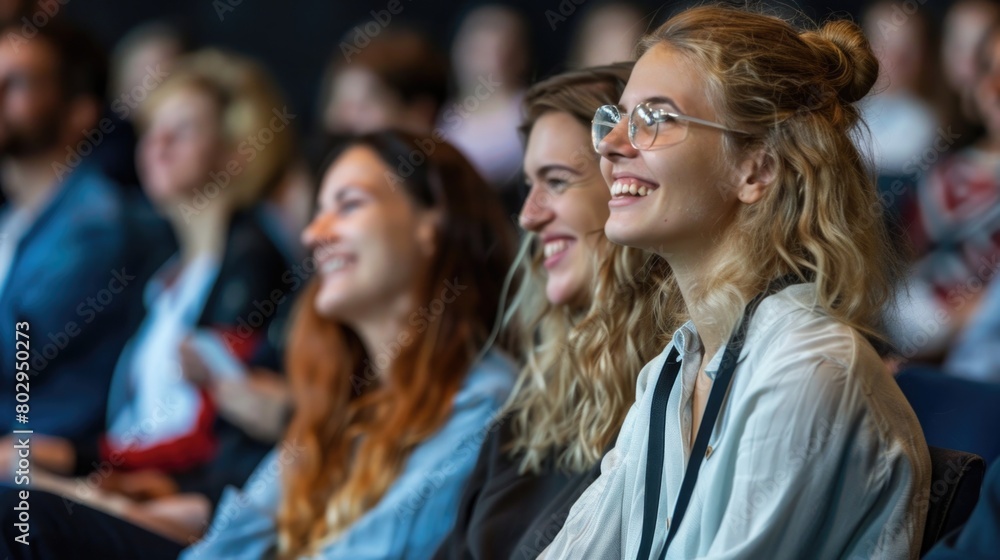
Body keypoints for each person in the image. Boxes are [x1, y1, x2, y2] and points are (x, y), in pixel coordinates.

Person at [0, 129, 519, 559]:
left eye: (349, 204)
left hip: (182, 487)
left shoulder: (482, 397)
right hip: (172, 495)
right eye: (317, 211)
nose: (315, 233)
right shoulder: (344, 394)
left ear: (434, 223)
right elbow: (238, 533)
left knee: (27, 521)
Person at [540, 6, 931, 559]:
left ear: (756, 170)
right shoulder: (672, 374)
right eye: (617, 117)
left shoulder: (810, 367)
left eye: (655, 118)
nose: (610, 145)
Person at [15, 49, 298, 532]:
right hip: (135, 484)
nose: (157, 144)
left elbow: (223, 436)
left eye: (183, 130)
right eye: (151, 130)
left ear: (236, 150)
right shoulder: (164, 274)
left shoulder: (253, 262)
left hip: (195, 510)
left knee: (17, 518)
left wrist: (80, 461)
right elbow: (141, 425)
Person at [434, 63, 671, 560]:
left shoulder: (682, 399)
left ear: (627, 181)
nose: (528, 215)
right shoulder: (528, 416)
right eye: (528, 185)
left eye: (556, 181)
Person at [0, 20, 166, 467]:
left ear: (80, 113)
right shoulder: (13, 218)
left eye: (18, 83)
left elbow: (15, 352)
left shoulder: (97, 222)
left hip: (47, 461)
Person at [888, 22, 1000, 362]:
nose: (996, 88)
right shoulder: (944, 175)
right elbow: (901, 271)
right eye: (990, 73)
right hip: (926, 351)